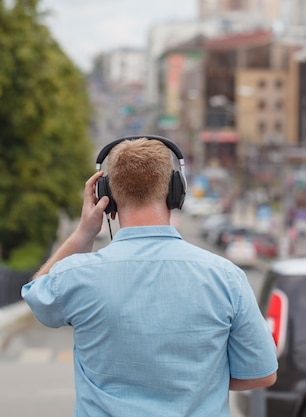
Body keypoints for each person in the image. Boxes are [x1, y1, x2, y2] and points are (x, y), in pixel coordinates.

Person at [21, 136, 277, 417]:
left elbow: (36, 294)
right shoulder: (226, 278)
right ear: (176, 191)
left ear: (106, 199)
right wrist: (201, 383)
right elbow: (262, 374)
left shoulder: (77, 275)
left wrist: (84, 231)